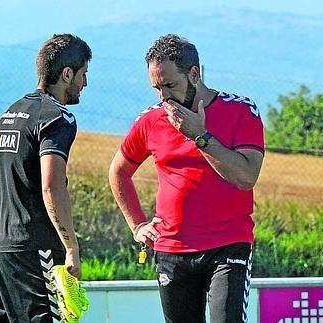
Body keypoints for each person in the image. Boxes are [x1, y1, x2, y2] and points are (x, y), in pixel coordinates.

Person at [108, 34, 265, 323]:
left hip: (228, 244)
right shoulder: (150, 119)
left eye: (170, 85)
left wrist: (199, 136)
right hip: (171, 249)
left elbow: (246, 176)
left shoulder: (241, 110)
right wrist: (138, 224)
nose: (164, 97)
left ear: (194, 74)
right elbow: (118, 171)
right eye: (157, 88)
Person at [0, 33, 91, 323]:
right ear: (66, 74)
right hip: (35, 249)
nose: (85, 84)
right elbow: (51, 185)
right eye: (83, 75)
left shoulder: (10, 114)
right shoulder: (57, 117)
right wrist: (71, 247)